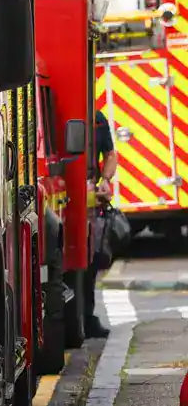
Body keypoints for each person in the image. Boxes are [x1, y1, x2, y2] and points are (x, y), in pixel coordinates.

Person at [85, 108, 119, 338]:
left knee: (92, 261)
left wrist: (105, 180)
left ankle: (88, 317)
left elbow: (110, 154)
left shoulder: (97, 119)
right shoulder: (93, 117)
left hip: (90, 200)